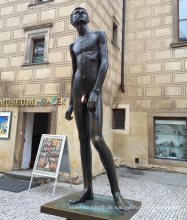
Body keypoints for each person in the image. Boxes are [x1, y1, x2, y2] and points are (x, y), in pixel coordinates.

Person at [65, 7, 129, 210]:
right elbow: (74, 72)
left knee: (96, 139)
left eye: (82, 10)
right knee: (83, 138)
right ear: (72, 21)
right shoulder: (73, 45)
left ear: (87, 18)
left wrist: (96, 91)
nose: (79, 12)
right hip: (77, 93)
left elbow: (104, 64)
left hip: (93, 93)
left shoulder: (98, 35)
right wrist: (69, 103)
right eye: (75, 12)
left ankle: (116, 193)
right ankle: (87, 189)